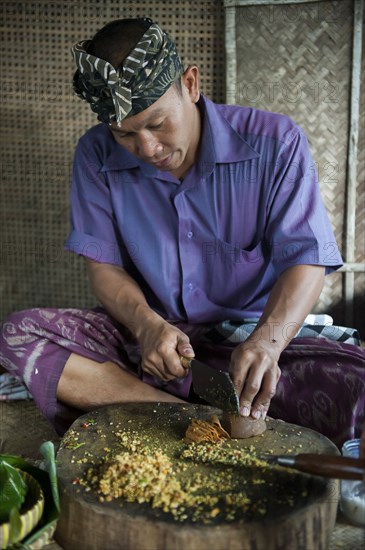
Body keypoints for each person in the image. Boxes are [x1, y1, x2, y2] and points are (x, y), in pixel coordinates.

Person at [0, 17, 364, 443]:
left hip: (253, 337)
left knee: (356, 387)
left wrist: (267, 344)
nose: (147, 149)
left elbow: (306, 259)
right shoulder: (95, 154)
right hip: (153, 342)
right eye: (125, 134)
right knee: (19, 334)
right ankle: (190, 420)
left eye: (157, 123)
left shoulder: (275, 143)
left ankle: (163, 411)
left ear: (190, 84)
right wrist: (147, 325)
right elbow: (103, 266)